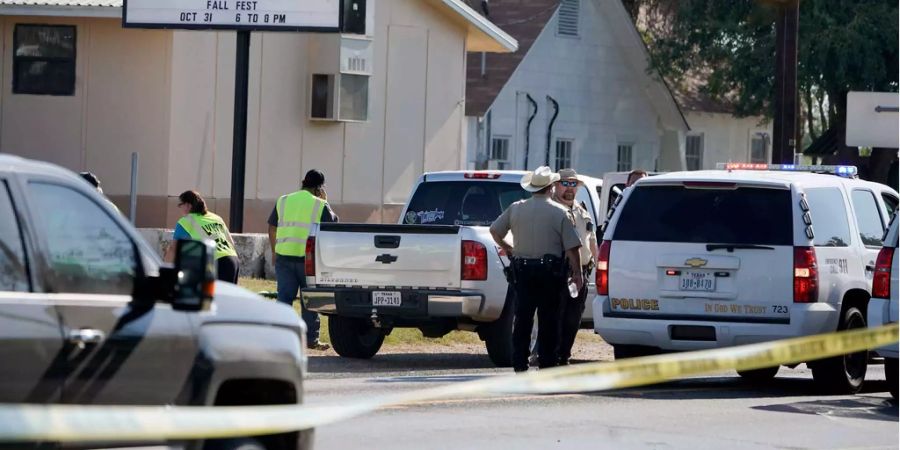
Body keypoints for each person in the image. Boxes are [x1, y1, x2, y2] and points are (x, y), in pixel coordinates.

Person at [490, 166, 583, 372]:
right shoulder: (560, 212)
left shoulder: (516, 208)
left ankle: (519, 362)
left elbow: (494, 230)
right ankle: (547, 362)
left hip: (522, 272)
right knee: (549, 319)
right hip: (550, 274)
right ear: (551, 188)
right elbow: (572, 248)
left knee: (522, 318)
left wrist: (508, 248)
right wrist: (578, 273)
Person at [268, 169, 338, 351]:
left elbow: (272, 226)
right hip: (308, 261)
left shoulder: (283, 200)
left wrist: (275, 250)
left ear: (303, 182)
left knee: (284, 299)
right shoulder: (320, 204)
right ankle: (310, 340)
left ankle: (279, 338)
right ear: (318, 188)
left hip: (283, 257)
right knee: (309, 301)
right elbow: (334, 226)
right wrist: (326, 202)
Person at [553, 168, 598, 366]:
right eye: (565, 183)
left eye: (573, 184)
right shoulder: (551, 209)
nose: (570, 188)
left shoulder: (582, 210)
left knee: (573, 319)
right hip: (558, 271)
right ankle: (550, 355)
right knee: (555, 317)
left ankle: (564, 355)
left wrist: (597, 264)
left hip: (581, 273)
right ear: (555, 185)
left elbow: (592, 240)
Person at [165, 190, 241, 283]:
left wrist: (166, 269)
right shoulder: (216, 217)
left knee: (213, 296)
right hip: (233, 259)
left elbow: (173, 249)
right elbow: (231, 242)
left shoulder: (185, 221)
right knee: (228, 296)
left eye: (180, 205)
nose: (180, 208)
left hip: (216, 262)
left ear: (188, 205)